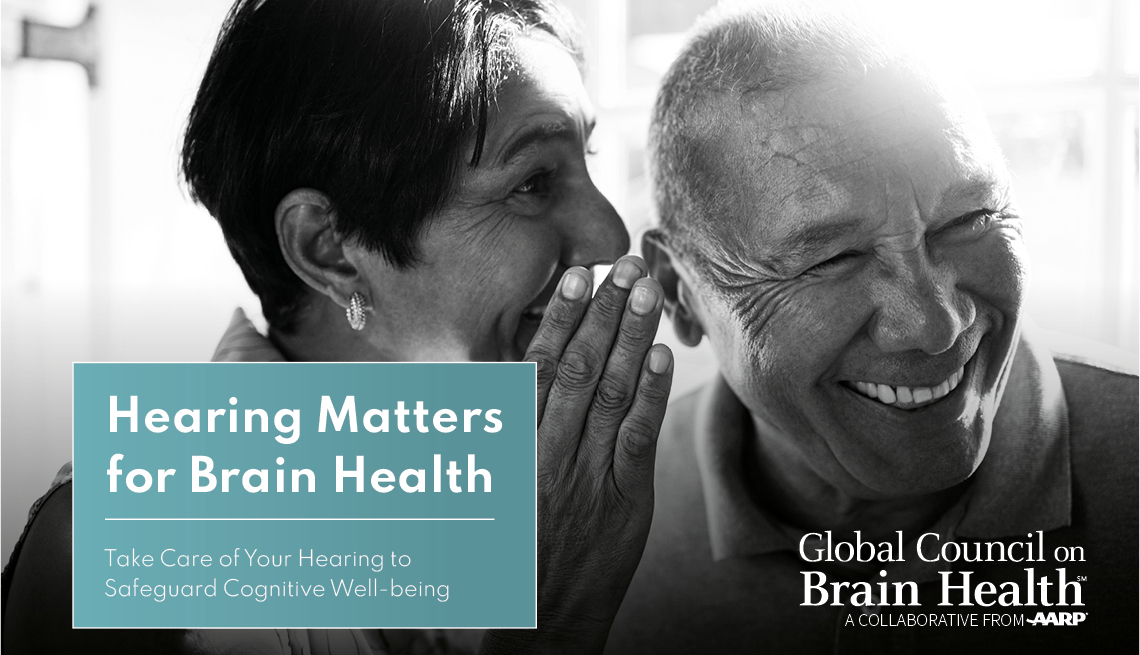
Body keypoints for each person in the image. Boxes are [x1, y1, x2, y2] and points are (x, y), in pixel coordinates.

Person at [2, 1, 673, 653]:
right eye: (532, 183)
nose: (611, 235)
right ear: (331, 248)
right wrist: (549, 625)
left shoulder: (545, 497)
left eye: (587, 156)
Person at [606, 4, 1138, 654]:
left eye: (968, 218)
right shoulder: (573, 519)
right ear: (680, 293)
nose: (934, 325)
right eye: (831, 259)